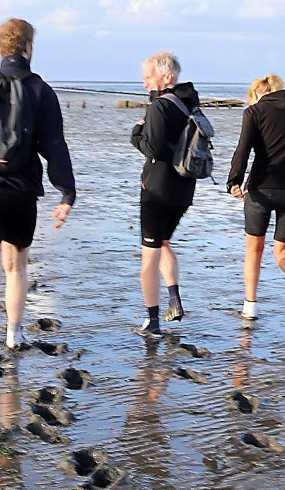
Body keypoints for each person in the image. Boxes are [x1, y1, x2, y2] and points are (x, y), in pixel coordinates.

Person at [0, 18, 76, 376]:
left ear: (1, 48)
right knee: (17, 266)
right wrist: (66, 192)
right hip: (23, 192)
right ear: (28, 48)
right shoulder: (41, 90)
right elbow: (54, 146)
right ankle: (14, 333)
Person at [226, 74, 285, 322]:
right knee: (283, 252)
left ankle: (250, 307)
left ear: (256, 95)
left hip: (261, 188)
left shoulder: (254, 113)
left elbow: (243, 149)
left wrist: (234, 181)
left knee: (254, 249)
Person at [130, 51, 200, 338]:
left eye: (149, 77)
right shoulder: (191, 103)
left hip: (157, 190)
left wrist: (136, 131)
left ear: (167, 77)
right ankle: (174, 300)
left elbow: (154, 148)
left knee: (149, 256)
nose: (145, 82)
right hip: (184, 189)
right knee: (164, 242)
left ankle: (152, 321)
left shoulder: (159, 108)